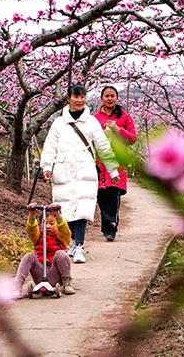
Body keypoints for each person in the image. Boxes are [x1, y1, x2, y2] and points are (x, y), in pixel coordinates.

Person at [41, 84, 120, 263]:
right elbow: (50, 146)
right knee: (66, 208)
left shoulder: (91, 122)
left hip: (85, 170)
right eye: (76, 97)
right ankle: (70, 243)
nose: (79, 100)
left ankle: (80, 247)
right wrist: (46, 167)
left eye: (82, 97)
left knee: (82, 208)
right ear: (68, 99)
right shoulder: (59, 123)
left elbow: (102, 146)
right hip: (64, 170)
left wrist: (113, 170)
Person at [94, 86, 137, 241]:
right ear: (101, 98)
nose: (110, 98)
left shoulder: (125, 117)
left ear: (117, 99)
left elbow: (132, 139)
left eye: (112, 96)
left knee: (113, 193)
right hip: (99, 162)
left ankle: (111, 226)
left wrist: (118, 129)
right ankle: (107, 225)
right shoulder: (95, 118)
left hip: (117, 162)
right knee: (102, 193)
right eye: (107, 96)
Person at [11, 203, 75, 298]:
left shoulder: (60, 237)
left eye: (52, 223)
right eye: (45, 224)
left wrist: (57, 215)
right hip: (40, 274)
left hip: (55, 274)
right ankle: (16, 287)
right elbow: (31, 230)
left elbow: (65, 232)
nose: (48, 226)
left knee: (61, 254)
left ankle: (67, 283)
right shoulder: (38, 237)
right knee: (29, 256)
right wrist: (32, 215)